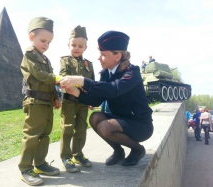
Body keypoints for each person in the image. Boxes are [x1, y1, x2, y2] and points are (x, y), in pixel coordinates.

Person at [58, 30, 153, 167]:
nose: (99, 58)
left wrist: (82, 80)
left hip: (140, 125)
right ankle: (118, 151)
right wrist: (74, 91)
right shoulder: (105, 74)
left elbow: (113, 90)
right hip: (120, 120)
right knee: (95, 117)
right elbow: (96, 100)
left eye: (103, 55)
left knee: (105, 126)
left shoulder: (131, 72)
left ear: (117, 56)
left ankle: (137, 149)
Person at [19, 17, 61, 186]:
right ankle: (25, 168)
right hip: (35, 102)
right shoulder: (29, 56)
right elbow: (41, 76)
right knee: (32, 135)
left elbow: (50, 83)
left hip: (46, 103)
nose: (46, 45)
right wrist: (59, 79)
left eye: (49, 42)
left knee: (44, 134)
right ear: (31, 37)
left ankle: (40, 164)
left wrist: (56, 97)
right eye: (43, 40)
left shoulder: (46, 59)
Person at [59, 25, 95, 172]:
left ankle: (77, 154)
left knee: (81, 129)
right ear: (68, 45)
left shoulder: (89, 64)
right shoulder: (65, 61)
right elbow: (63, 78)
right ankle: (66, 157)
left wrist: (91, 100)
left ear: (85, 47)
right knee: (67, 128)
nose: (76, 48)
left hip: (83, 103)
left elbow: (92, 83)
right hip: (69, 101)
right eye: (73, 45)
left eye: (80, 46)